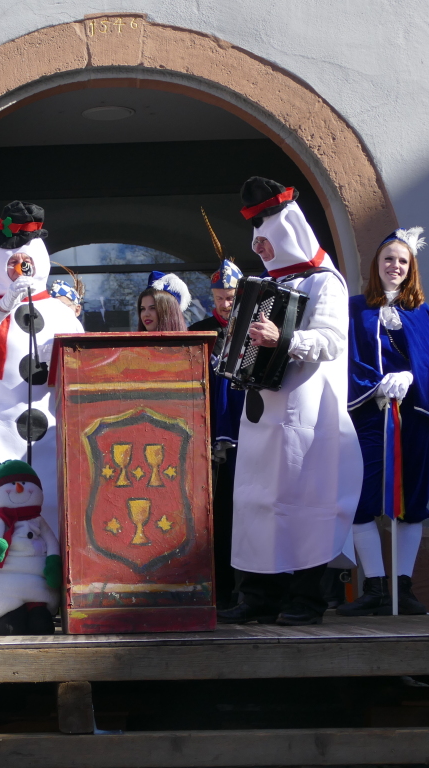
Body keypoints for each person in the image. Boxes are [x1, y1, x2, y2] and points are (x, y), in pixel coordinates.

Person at [218, 177, 363, 626]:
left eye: (266, 239)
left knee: (304, 503)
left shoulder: (326, 283)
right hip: (263, 411)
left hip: (307, 411)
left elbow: (333, 340)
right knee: (255, 501)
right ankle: (259, 597)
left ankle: (305, 600)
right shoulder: (266, 285)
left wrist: (285, 339)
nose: (261, 249)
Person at [0, 201, 84, 563]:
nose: (17, 268)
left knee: (51, 515)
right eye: (9, 262)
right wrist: (1, 307)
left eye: (23, 262)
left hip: (48, 437)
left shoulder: (63, 316)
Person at [338, 227, 429, 616]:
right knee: (361, 499)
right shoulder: (355, 308)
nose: (395, 266)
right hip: (371, 416)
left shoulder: (421, 314)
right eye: (389, 258)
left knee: (412, 501)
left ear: (411, 269)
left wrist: (410, 376)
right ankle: (374, 586)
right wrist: (374, 387)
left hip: (415, 418)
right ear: (376, 264)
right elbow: (348, 358)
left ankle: (401, 587)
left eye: (403, 261)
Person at [188, 226, 246, 609]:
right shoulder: (199, 333)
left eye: (231, 298)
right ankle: (221, 592)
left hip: (249, 432)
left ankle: (253, 590)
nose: (226, 305)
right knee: (216, 516)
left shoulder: (255, 330)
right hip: (209, 436)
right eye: (221, 298)